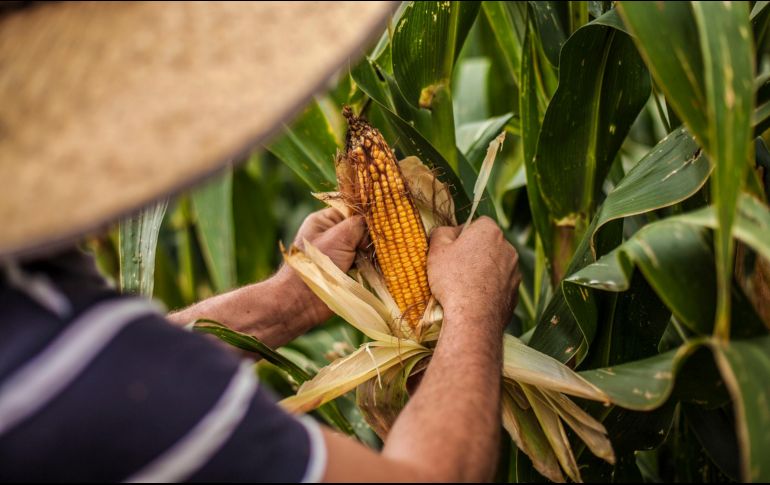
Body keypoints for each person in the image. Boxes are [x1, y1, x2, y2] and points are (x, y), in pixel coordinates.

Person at [0, 2, 520, 482]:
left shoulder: (36, 317)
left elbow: (105, 370)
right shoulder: (121, 391)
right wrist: (472, 309)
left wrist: (291, 299)